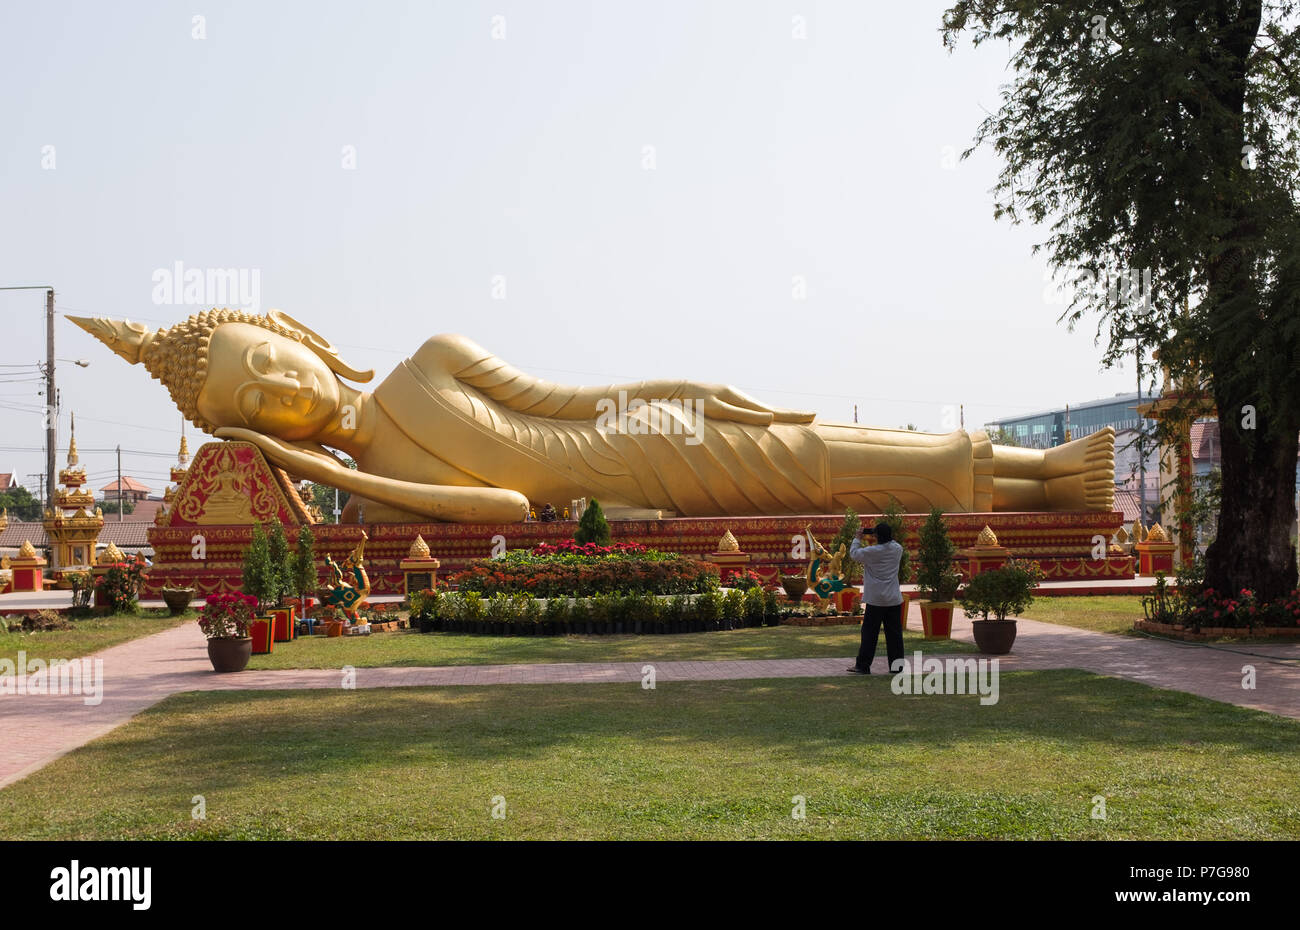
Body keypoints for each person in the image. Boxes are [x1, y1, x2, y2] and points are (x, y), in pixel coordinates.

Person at [846, 522, 904, 674]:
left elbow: (854, 554)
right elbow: (892, 542)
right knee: (895, 635)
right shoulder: (898, 549)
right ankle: (897, 666)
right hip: (893, 598)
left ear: (877, 537)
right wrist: (880, 533)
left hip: (876, 599)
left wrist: (858, 538)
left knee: (870, 634)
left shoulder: (871, 552)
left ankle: (863, 665)